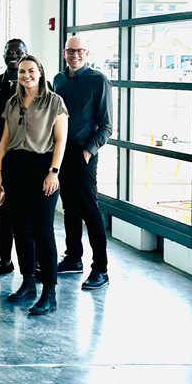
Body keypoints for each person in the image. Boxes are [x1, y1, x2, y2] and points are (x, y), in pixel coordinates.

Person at [0, 55, 68, 316]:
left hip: (43, 168)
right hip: (14, 168)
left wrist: (53, 172)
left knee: (42, 229)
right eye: (23, 71)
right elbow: (4, 138)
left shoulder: (54, 102)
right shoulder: (12, 103)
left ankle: (49, 291)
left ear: (40, 72)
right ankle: (27, 284)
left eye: (31, 71)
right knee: (20, 228)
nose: (26, 75)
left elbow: (60, 141)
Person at [53, 35, 113, 290]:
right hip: (60, 151)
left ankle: (100, 269)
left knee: (89, 209)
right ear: (64, 53)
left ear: (87, 53)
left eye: (79, 51)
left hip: (83, 154)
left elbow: (107, 125)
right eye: (70, 51)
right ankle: (73, 258)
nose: (74, 55)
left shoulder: (99, 80)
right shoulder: (58, 80)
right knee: (69, 208)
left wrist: (89, 152)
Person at [0, 39, 27, 278]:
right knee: (4, 213)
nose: (13, 56)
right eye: (9, 52)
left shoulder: (38, 85)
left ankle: (33, 265)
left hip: (29, 160)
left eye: (18, 52)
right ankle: (5, 260)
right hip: (1, 160)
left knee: (28, 215)